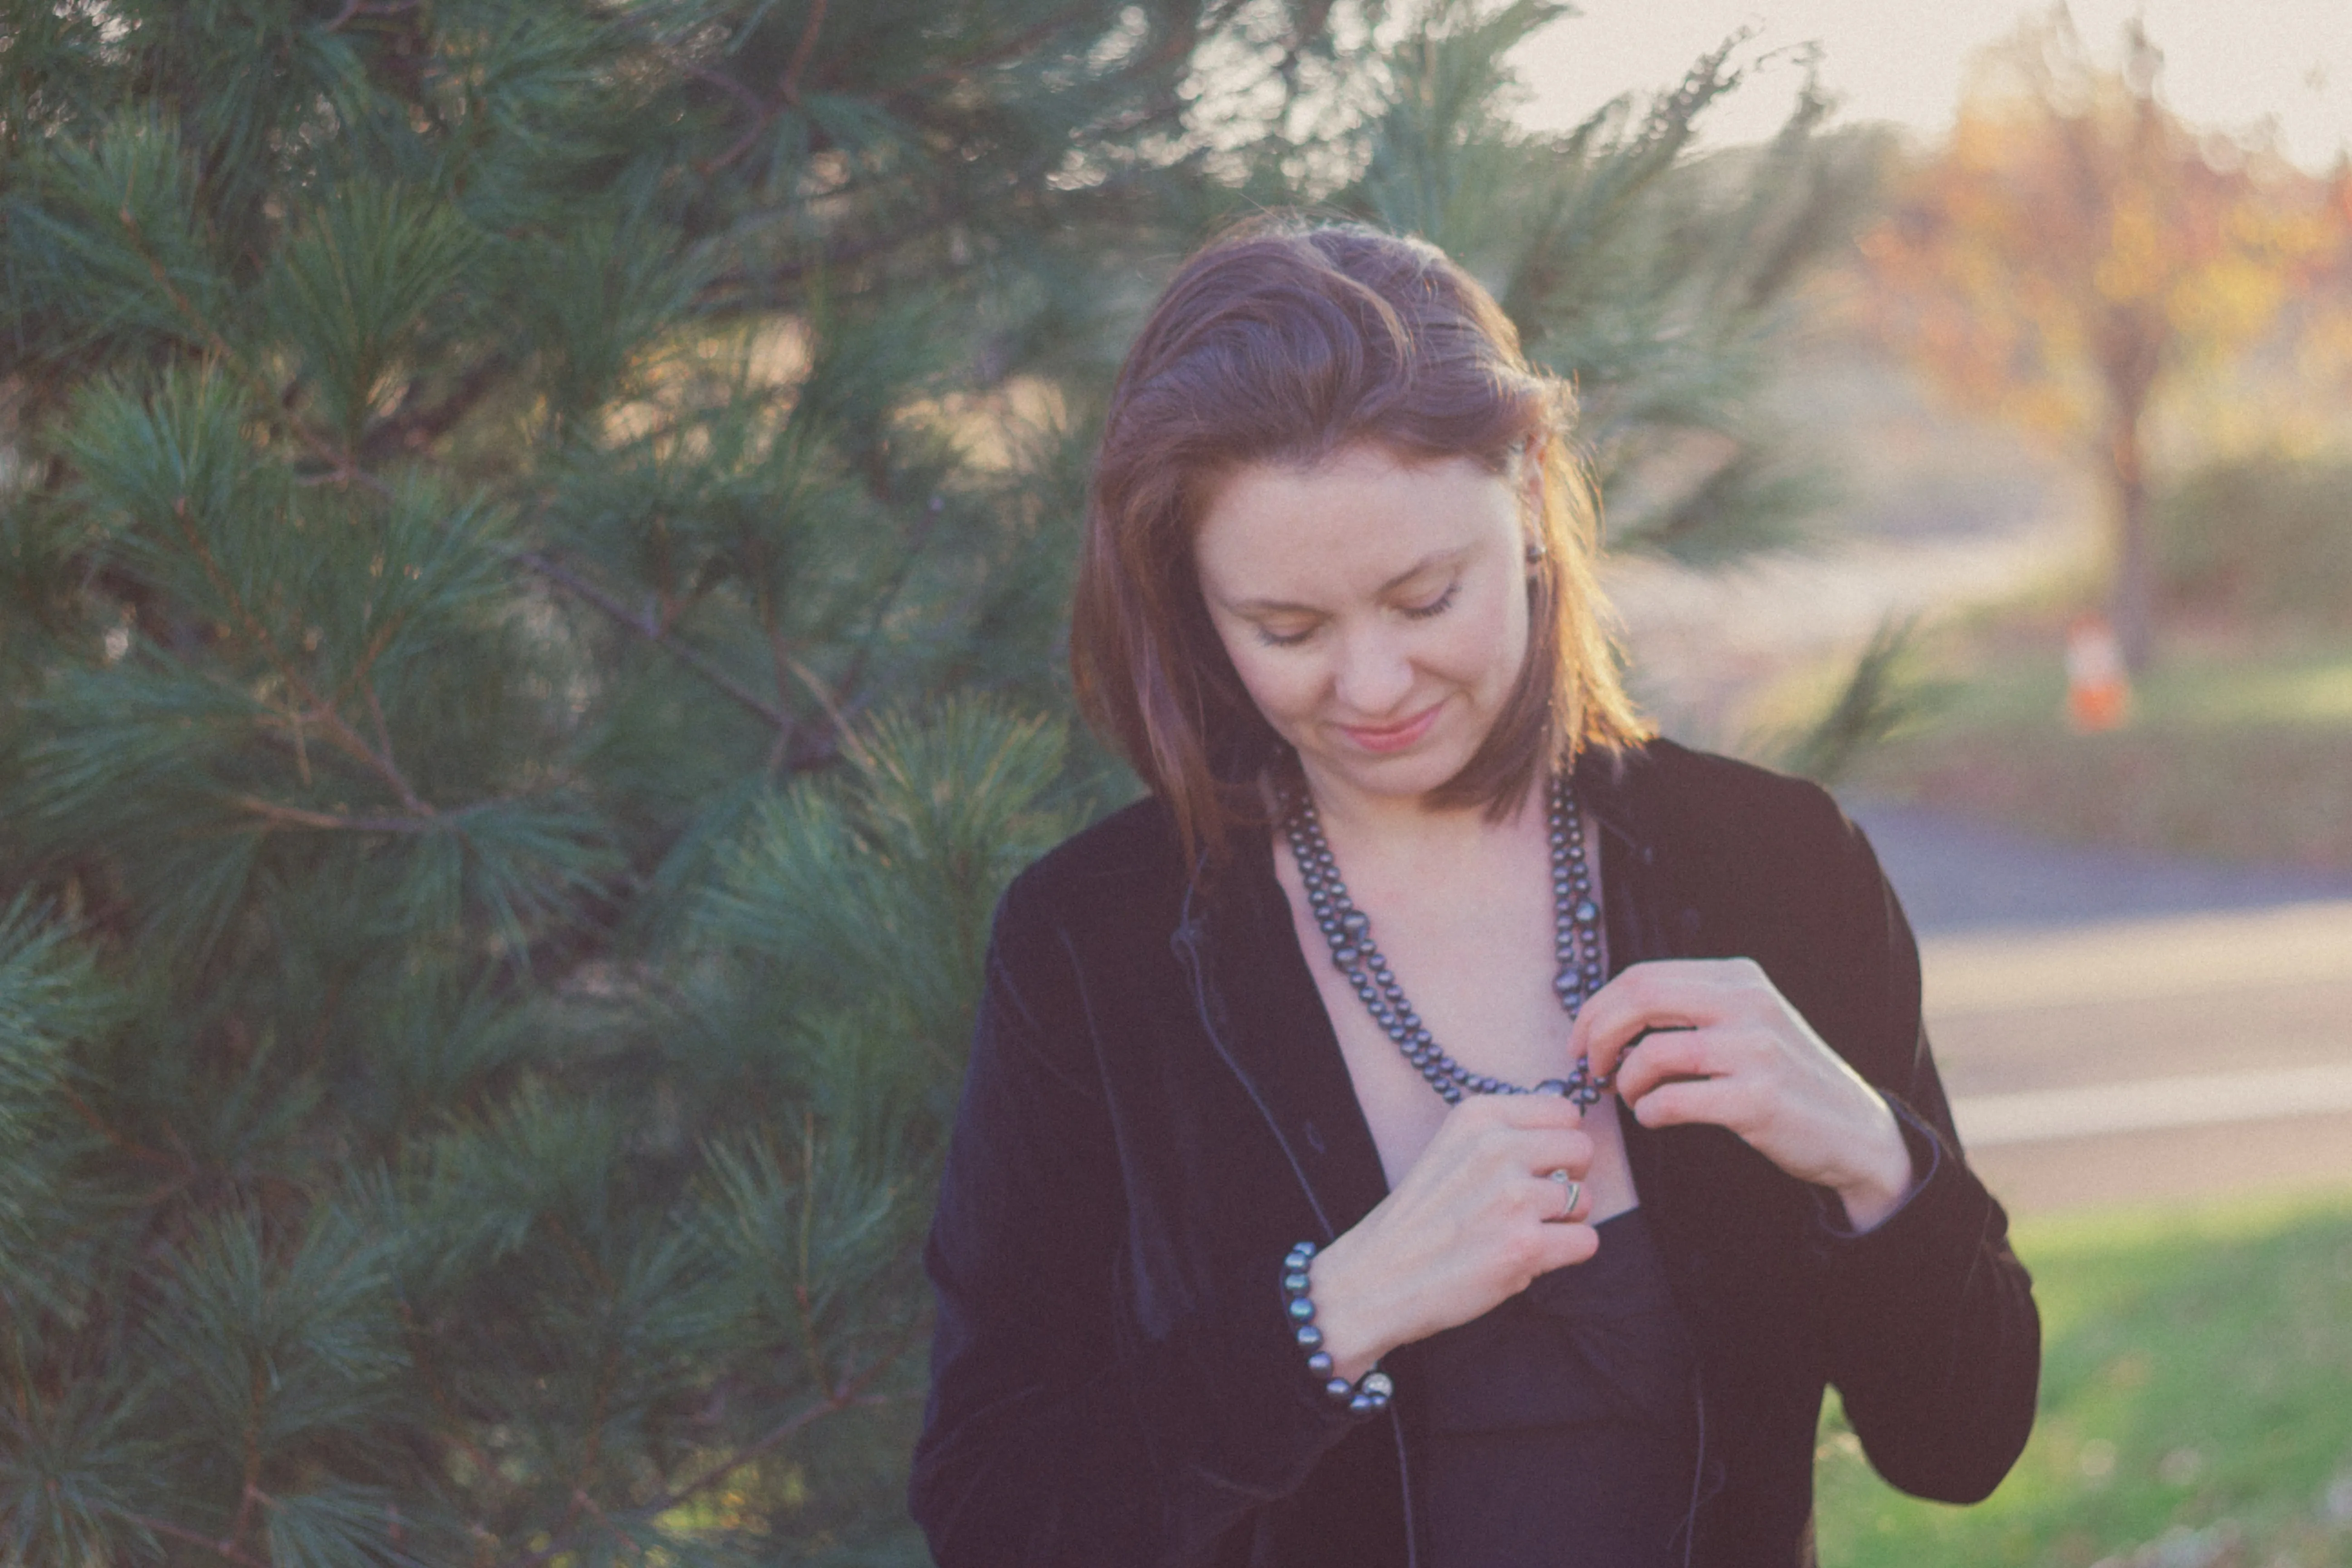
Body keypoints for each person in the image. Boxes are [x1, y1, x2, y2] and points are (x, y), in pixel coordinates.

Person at [908, 218, 2039, 1568]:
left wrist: (1873, 1159)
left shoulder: (1772, 864)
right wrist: (1335, 1314)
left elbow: (1962, 1446)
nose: (1374, 686)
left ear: (1529, 503)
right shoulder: (1093, 945)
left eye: (1425, 596)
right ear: (1193, 609)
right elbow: (993, 1507)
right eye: (1289, 631)